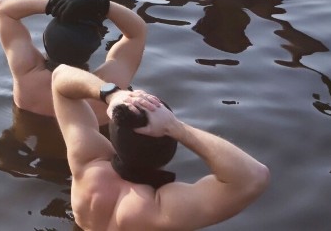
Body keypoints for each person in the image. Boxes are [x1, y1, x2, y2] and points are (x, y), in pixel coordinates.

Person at [51, 64, 270, 230]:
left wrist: (112, 94)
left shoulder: (87, 164)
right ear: (169, 149)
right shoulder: (163, 210)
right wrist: (178, 128)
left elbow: (60, 76)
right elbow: (253, 177)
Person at [0, 0, 147, 119]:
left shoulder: (26, 72)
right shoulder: (110, 85)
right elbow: (138, 32)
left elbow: (3, 6)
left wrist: (55, 4)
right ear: (94, 48)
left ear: (44, 40)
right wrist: (101, 2)